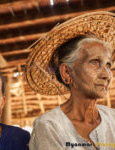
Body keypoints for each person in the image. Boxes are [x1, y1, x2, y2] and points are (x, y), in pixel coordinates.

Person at [25, 11, 115, 150]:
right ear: (66, 72)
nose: (107, 75)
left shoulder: (113, 118)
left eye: (108, 65)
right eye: (95, 62)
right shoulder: (50, 125)